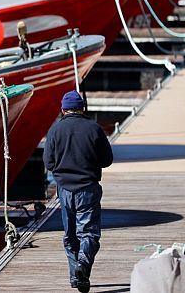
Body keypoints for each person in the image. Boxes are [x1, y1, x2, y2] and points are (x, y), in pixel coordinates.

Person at [44, 90, 113, 293]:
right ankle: (83, 263)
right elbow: (107, 160)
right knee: (89, 234)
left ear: (63, 110)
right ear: (82, 108)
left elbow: (48, 162)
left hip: (65, 190)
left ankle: (76, 277)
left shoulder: (55, 131)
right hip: (88, 188)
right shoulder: (94, 129)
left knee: (70, 235)